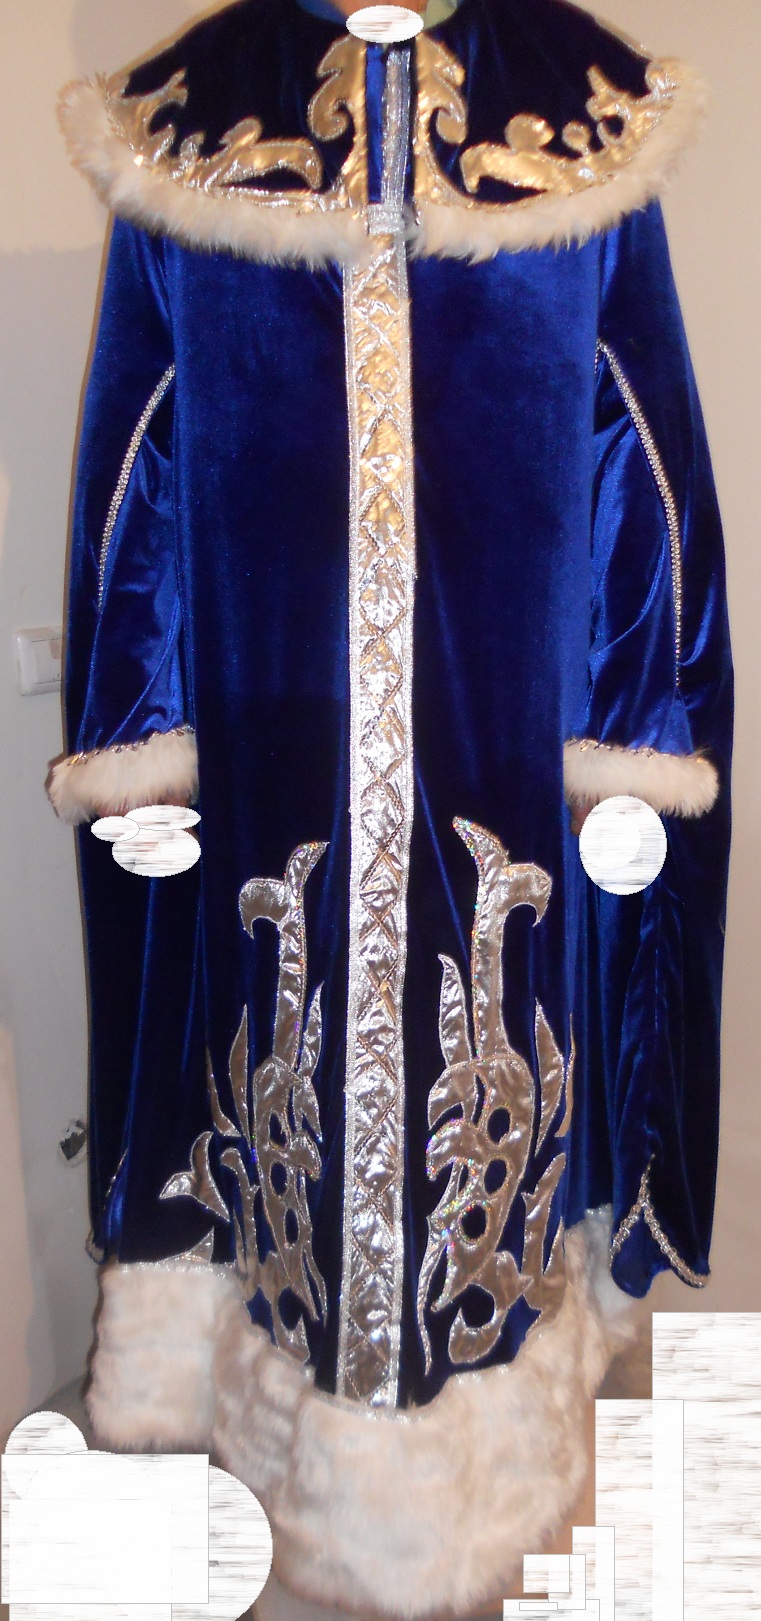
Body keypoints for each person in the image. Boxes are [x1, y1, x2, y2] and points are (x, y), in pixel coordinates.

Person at [48, 0, 733, 1612]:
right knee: (272, 1085)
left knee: (483, 1087)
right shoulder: (195, 117)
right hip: (270, 759)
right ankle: (291, 1480)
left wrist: (638, 742)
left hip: (500, 769)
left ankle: (477, 1481)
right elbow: (134, 467)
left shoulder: (579, 112)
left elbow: (645, 466)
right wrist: (135, 737)